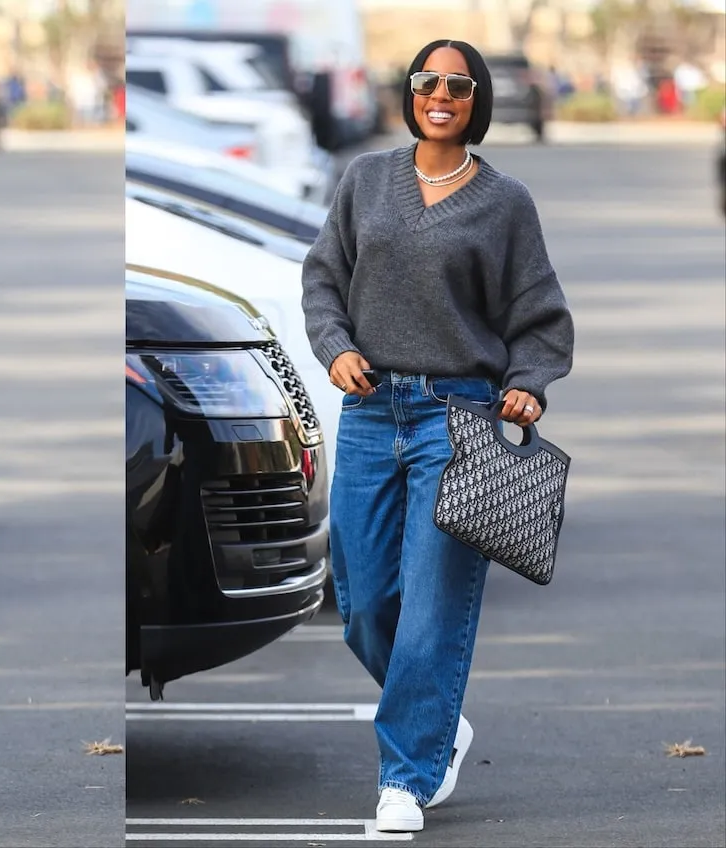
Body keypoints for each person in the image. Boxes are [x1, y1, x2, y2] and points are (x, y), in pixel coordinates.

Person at [301, 39, 574, 834]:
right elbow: (323, 276)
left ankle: (405, 780)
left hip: (459, 419)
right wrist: (335, 346)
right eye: (428, 81)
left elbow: (540, 314)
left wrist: (527, 385)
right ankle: (434, 717)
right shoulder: (365, 180)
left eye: (458, 84)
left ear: (476, 99)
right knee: (359, 600)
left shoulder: (504, 202)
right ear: (410, 93)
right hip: (367, 410)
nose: (441, 94)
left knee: (429, 606)